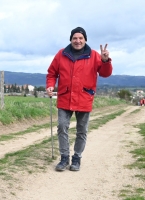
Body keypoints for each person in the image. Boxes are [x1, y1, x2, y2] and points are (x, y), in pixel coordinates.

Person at [46, 27, 113, 171]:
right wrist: (50, 86)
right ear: (71, 40)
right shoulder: (61, 54)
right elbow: (52, 73)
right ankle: (64, 158)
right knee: (62, 127)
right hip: (65, 97)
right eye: (75, 38)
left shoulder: (95, 55)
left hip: (84, 98)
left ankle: (76, 158)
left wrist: (106, 61)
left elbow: (105, 74)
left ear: (85, 40)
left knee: (81, 130)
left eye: (80, 38)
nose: (78, 41)